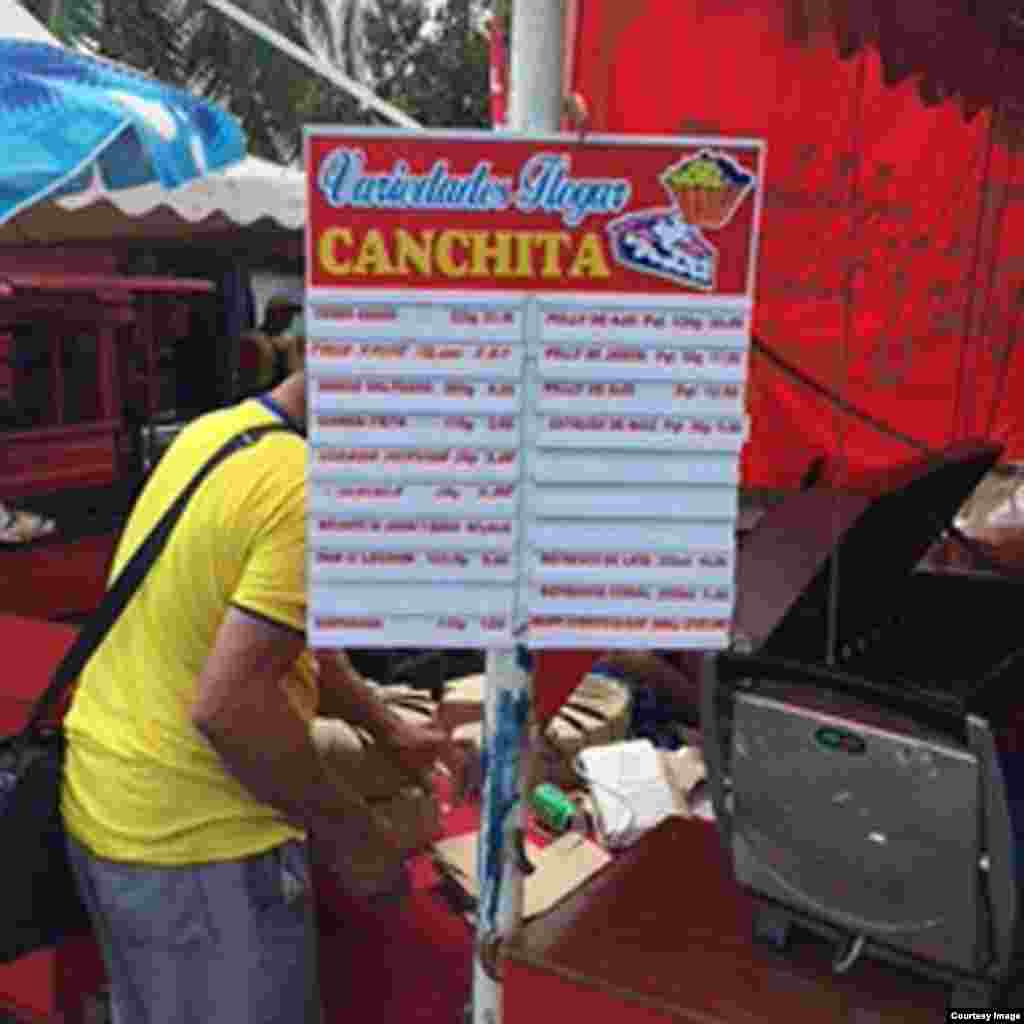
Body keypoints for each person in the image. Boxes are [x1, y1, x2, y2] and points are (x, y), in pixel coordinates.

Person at [60, 370, 452, 1024]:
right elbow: (231, 707)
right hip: (196, 843)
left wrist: (389, 729)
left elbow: (289, 646)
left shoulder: (220, 434)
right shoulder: (306, 492)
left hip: (115, 798)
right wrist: (354, 835)